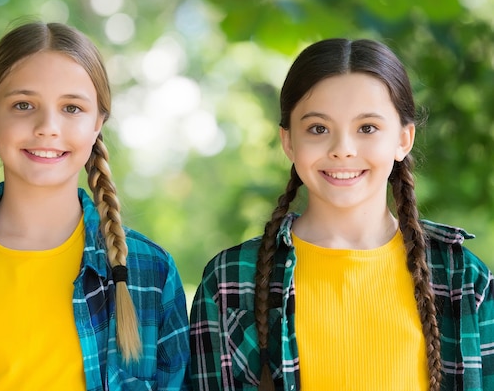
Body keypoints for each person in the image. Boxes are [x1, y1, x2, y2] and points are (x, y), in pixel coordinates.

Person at [0, 21, 190, 391]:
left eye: (72, 108)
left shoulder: (150, 273)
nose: (48, 126)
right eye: (23, 105)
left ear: (98, 123)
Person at [189, 38, 494, 391]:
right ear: (288, 141)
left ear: (403, 139)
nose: (342, 150)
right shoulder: (229, 281)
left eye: (367, 128)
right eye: (318, 129)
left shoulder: (464, 279)